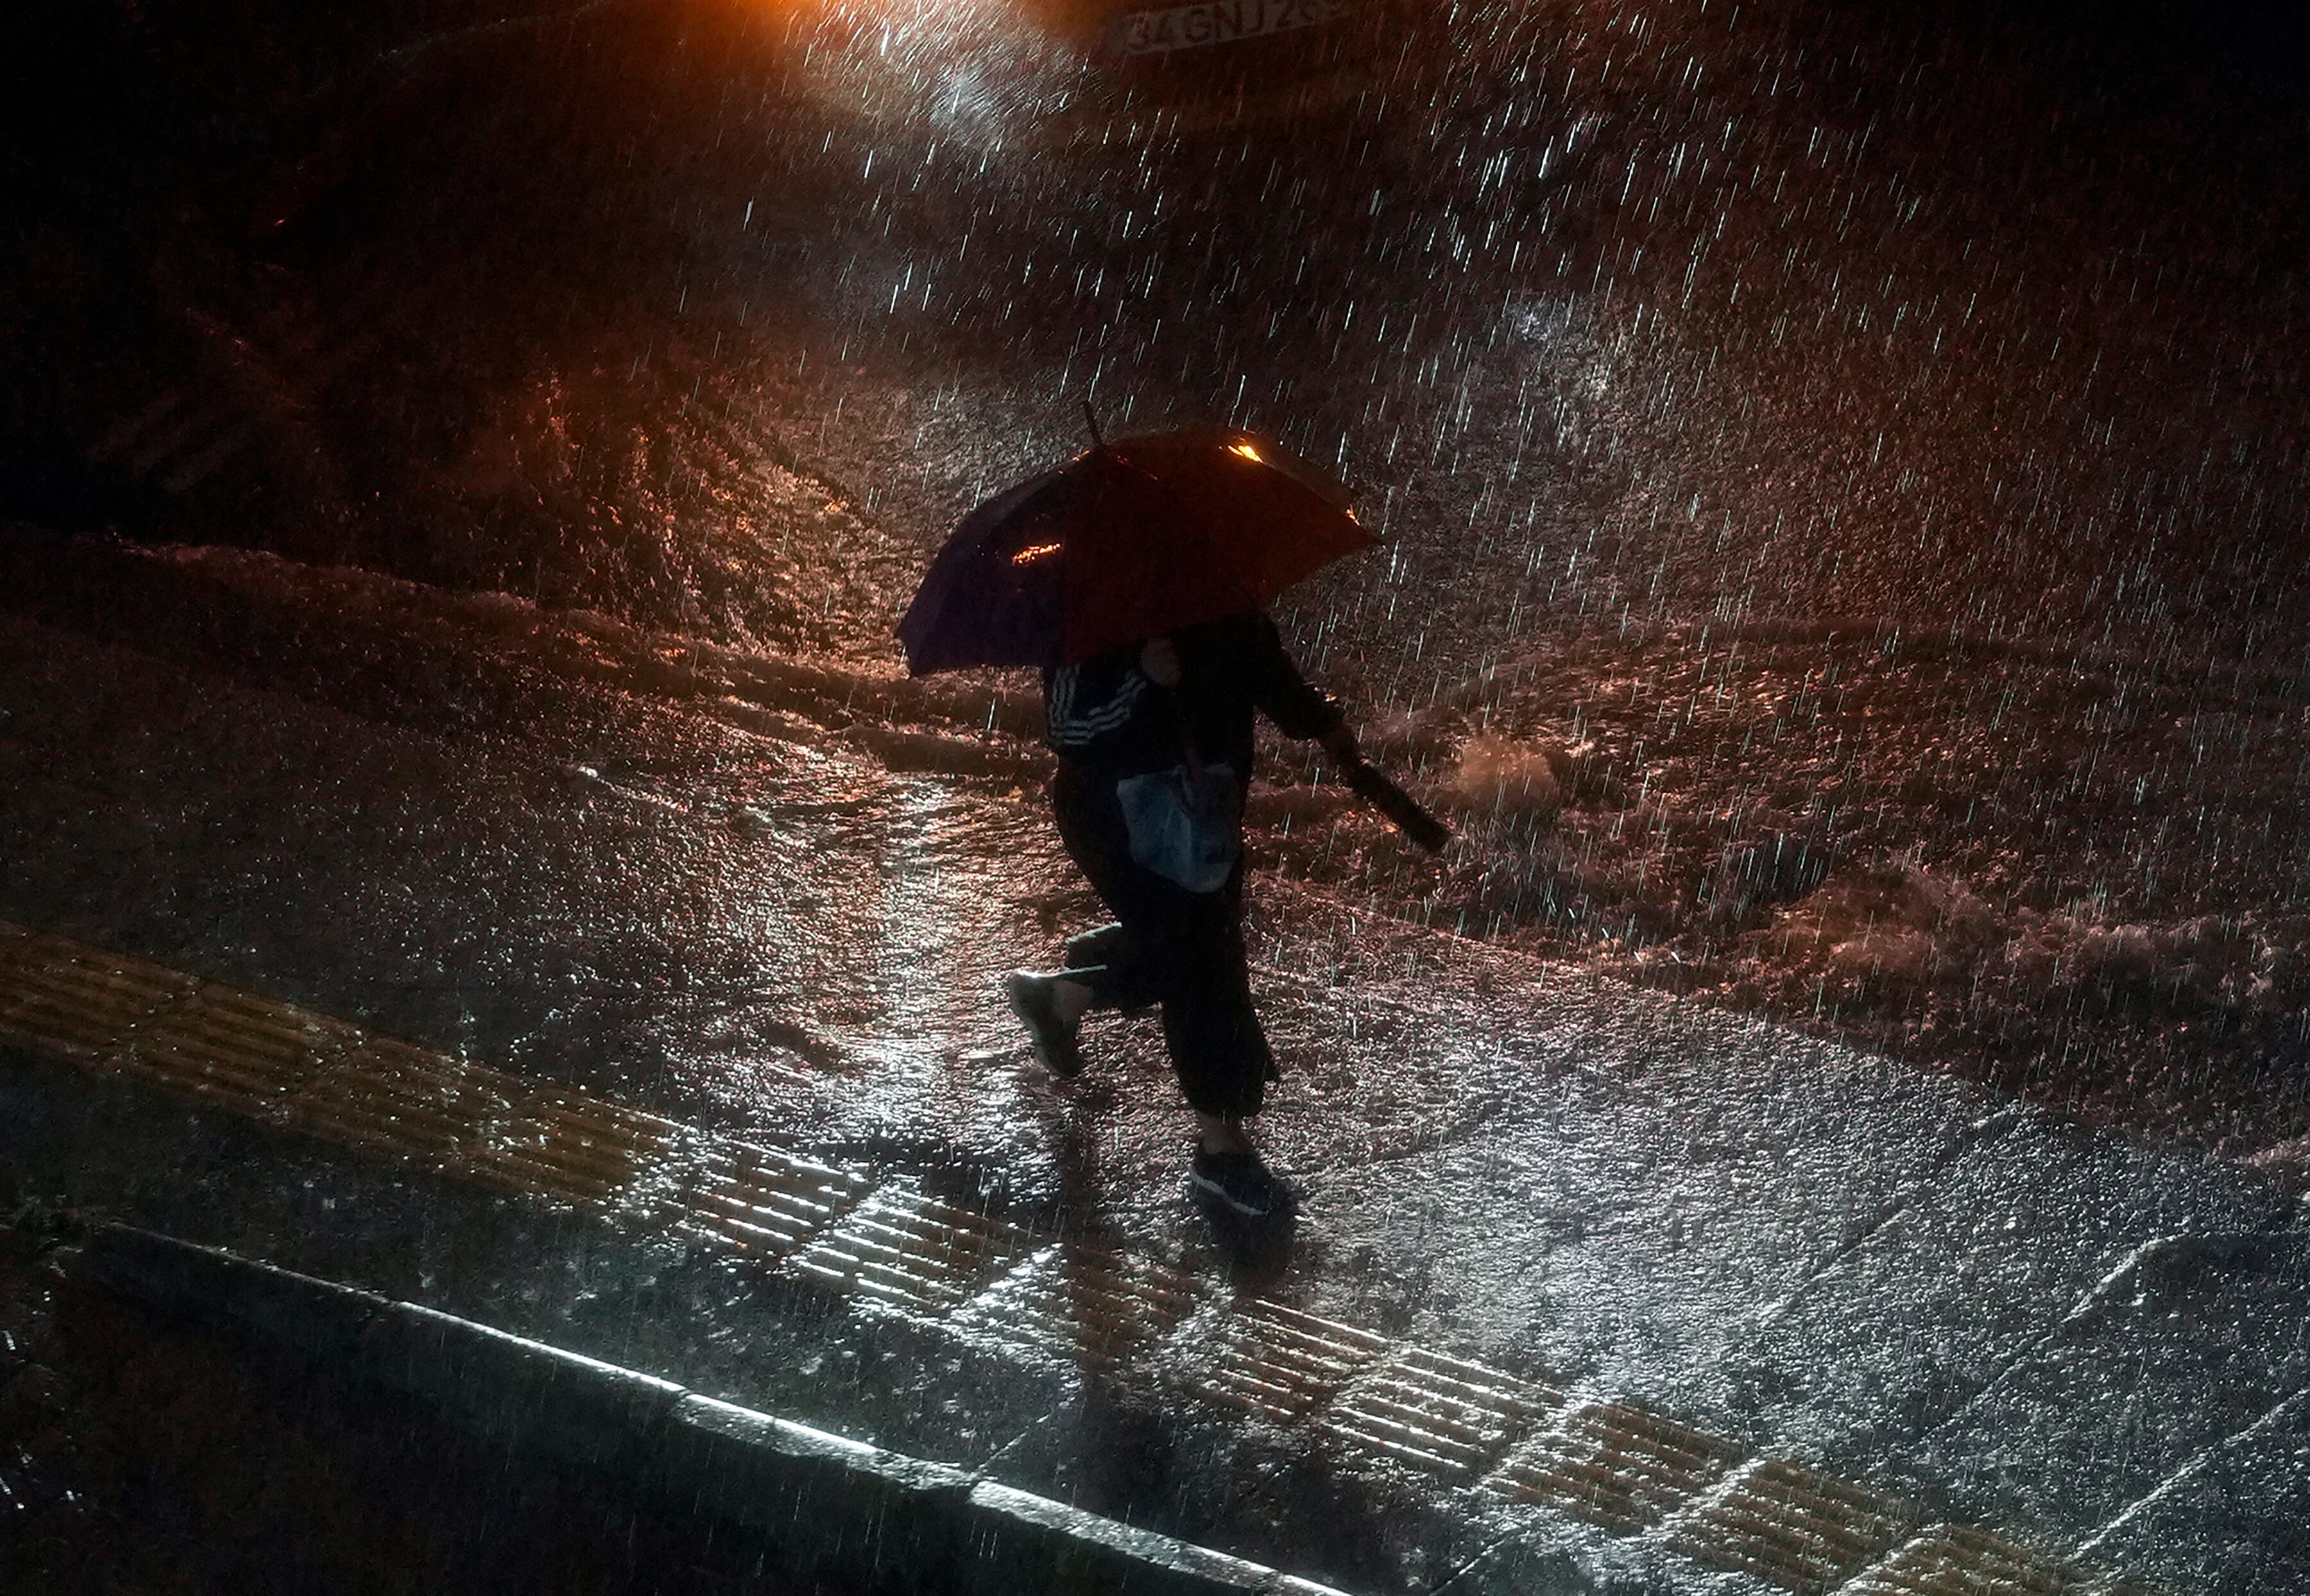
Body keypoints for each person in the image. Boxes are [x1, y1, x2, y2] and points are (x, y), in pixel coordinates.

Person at [1004, 610, 1358, 1221]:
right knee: (1202, 956)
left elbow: (1265, 670)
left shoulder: (1217, 588)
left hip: (1205, 805)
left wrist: (1325, 723)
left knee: (1196, 942)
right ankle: (1221, 1150)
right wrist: (1139, 676)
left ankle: (1075, 988)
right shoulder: (1097, 600)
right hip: (1114, 814)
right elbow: (1067, 724)